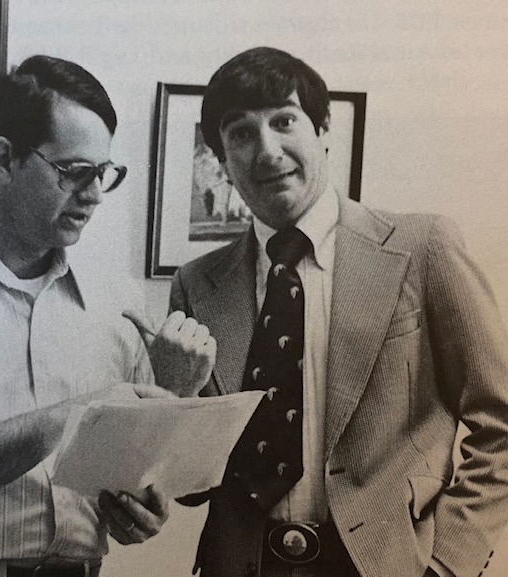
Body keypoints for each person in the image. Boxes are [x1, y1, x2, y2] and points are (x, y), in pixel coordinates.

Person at [0, 55, 215, 577]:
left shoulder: (115, 304)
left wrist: (143, 505)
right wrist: (72, 415)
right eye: (75, 173)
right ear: (5, 160)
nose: (95, 195)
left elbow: (142, 475)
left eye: (104, 174)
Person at [170, 47, 508, 577]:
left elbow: (502, 423)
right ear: (220, 159)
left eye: (284, 121)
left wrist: (448, 563)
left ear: (324, 129)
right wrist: (176, 394)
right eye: (240, 133)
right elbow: (190, 492)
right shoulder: (196, 285)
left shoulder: (422, 248)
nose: (267, 151)